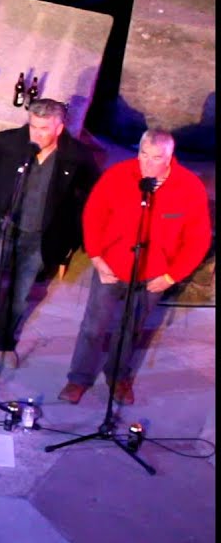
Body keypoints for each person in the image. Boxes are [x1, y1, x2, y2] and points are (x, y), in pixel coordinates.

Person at [58, 129, 211, 405]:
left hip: (154, 275)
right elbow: (94, 215)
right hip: (111, 267)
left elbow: (198, 239)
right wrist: (96, 257)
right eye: (143, 155)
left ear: (169, 157)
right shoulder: (117, 175)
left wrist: (171, 276)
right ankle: (78, 378)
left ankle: (118, 376)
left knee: (130, 329)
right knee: (94, 326)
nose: (148, 164)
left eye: (156, 158)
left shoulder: (189, 187)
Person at [0, 99, 99, 368]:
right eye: (32, 126)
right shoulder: (8, 143)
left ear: (59, 128)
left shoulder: (76, 156)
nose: (36, 133)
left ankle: (3, 343)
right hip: (1, 230)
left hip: (39, 237)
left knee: (19, 295)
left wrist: (70, 236)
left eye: (43, 128)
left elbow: (88, 199)